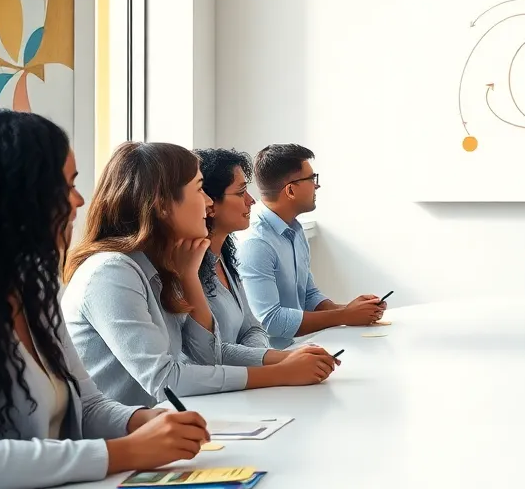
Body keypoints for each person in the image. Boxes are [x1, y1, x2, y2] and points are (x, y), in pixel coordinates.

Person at [0, 109, 209, 489]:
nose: (79, 201)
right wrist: (127, 451)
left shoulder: (33, 290)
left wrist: (140, 420)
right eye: (67, 185)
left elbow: (86, 406)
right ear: (17, 194)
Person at [63, 143, 339, 407]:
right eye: (198, 189)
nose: (208, 203)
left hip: (159, 426)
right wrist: (282, 371)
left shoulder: (167, 266)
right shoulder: (112, 272)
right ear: (161, 205)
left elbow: (209, 356)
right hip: (124, 440)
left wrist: (189, 277)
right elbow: (165, 380)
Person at [238, 144, 387, 348]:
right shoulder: (256, 244)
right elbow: (270, 321)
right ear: (290, 190)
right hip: (275, 360)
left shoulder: (296, 230)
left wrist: (355, 310)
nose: (317, 186)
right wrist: (344, 315)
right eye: (311, 179)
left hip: (303, 346)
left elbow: (308, 295)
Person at [197, 148, 302, 368]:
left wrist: (260, 357)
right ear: (210, 203)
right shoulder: (188, 268)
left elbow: (253, 327)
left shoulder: (224, 256)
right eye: (240, 192)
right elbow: (209, 353)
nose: (251, 200)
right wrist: (279, 361)